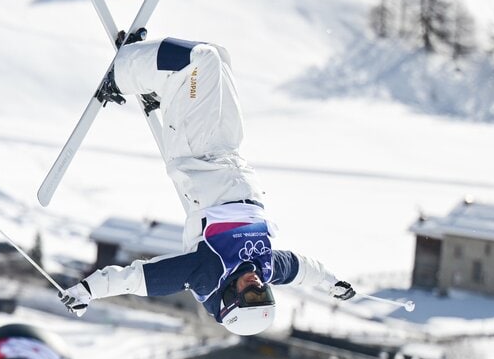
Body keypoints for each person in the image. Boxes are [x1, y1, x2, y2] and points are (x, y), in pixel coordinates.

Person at [60, 35, 354, 335]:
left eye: (252, 297)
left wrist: (87, 290)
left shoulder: (206, 272)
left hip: (197, 152)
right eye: (265, 294)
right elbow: (302, 269)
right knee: (220, 57)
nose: (258, 286)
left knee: (201, 60)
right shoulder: (265, 267)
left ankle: (121, 74)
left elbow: (137, 279)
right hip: (229, 151)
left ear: (230, 300)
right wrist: (333, 283)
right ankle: (159, 83)